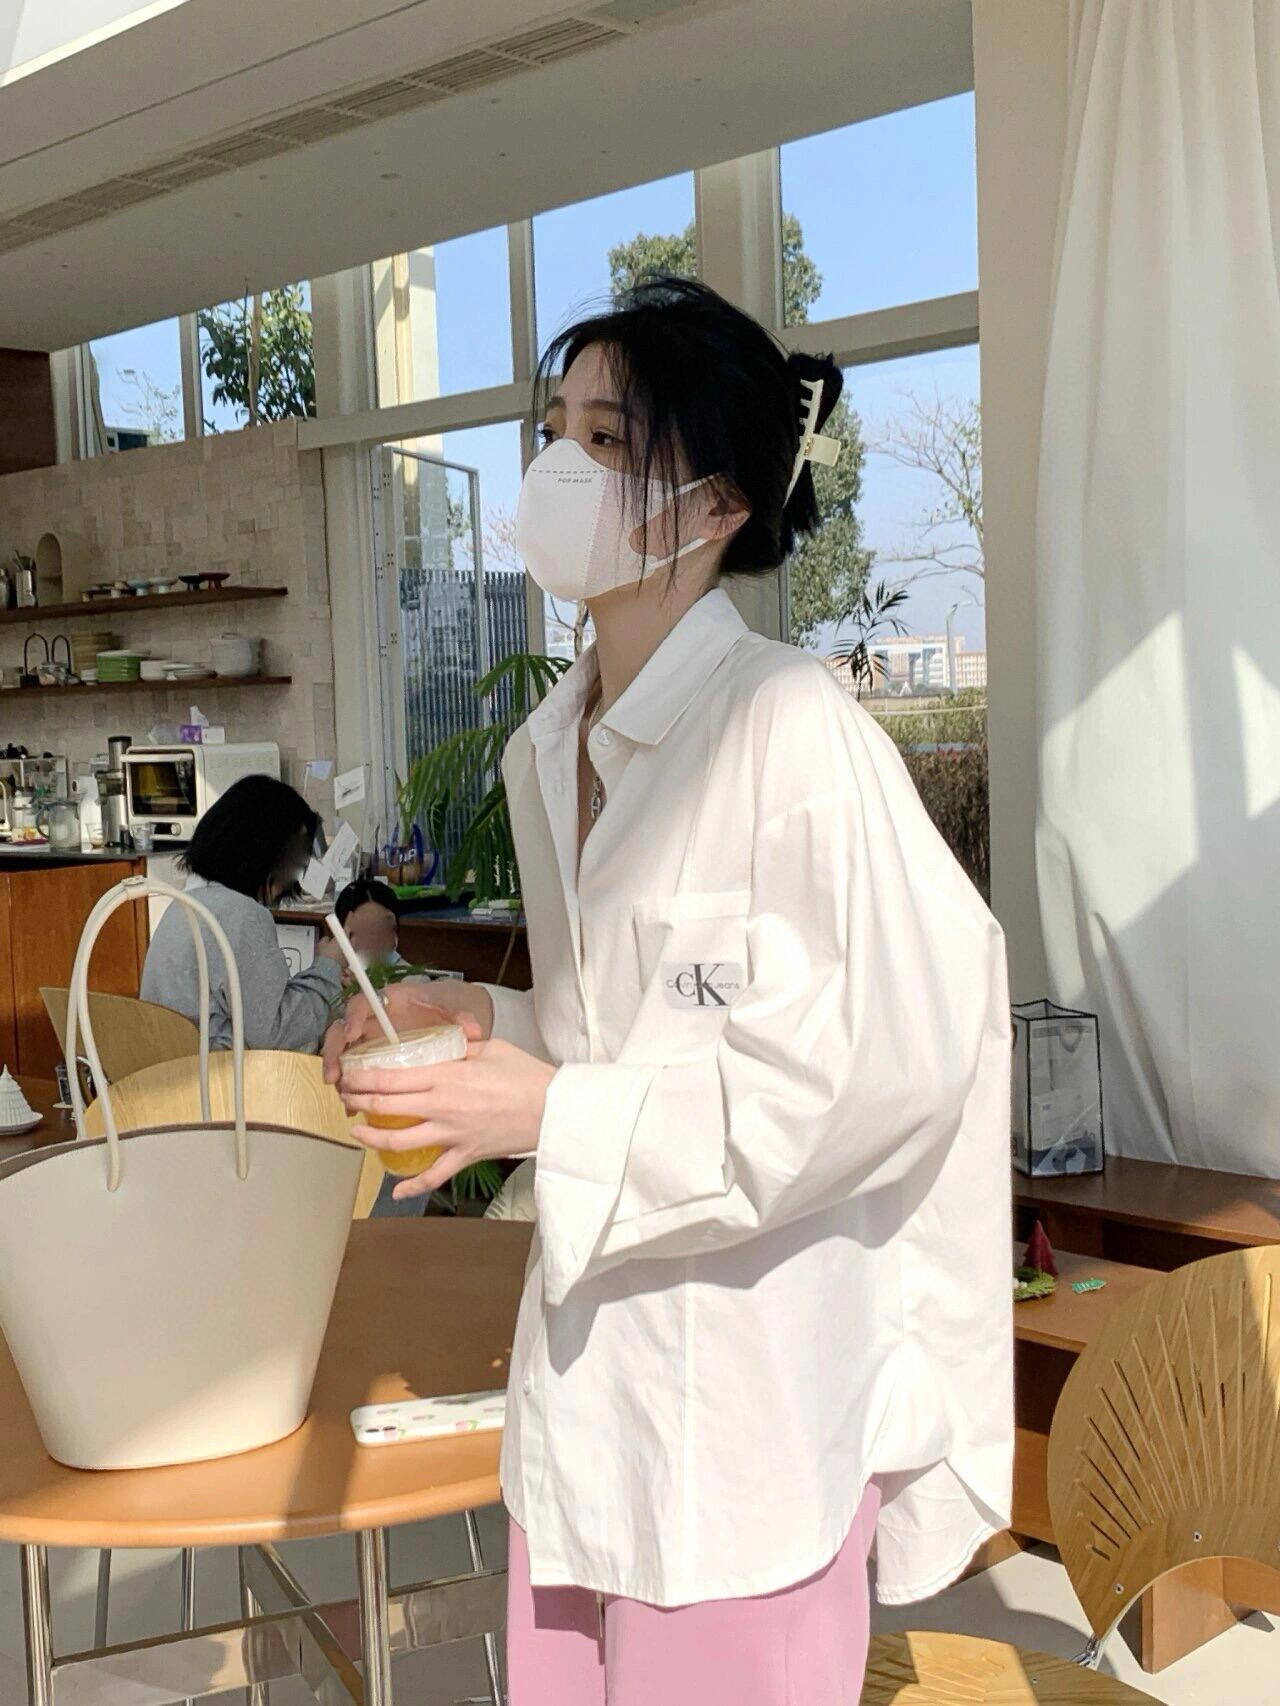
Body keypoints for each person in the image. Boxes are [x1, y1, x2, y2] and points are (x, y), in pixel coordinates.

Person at [329, 277, 1013, 1705]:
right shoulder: (549, 746)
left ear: (716, 505)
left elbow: (877, 1068)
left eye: (607, 438)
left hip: (746, 1436)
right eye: (553, 430)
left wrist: (548, 1112)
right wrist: (490, 1023)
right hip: (588, 1399)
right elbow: (626, 1026)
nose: (558, 468)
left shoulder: (793, 732)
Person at [144, 775, 364, 1054]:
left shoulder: (183, 906)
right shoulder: (241, 914)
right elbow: (276, 1034)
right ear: (265, 853)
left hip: (167, 1072)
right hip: (219, 1076)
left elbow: (259, 1014)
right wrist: (328, 967)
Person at [334, 876, 402, 969]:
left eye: (382, 929)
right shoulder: (329, 974)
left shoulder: (412, 976)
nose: (374, 939)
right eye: (363, 931)